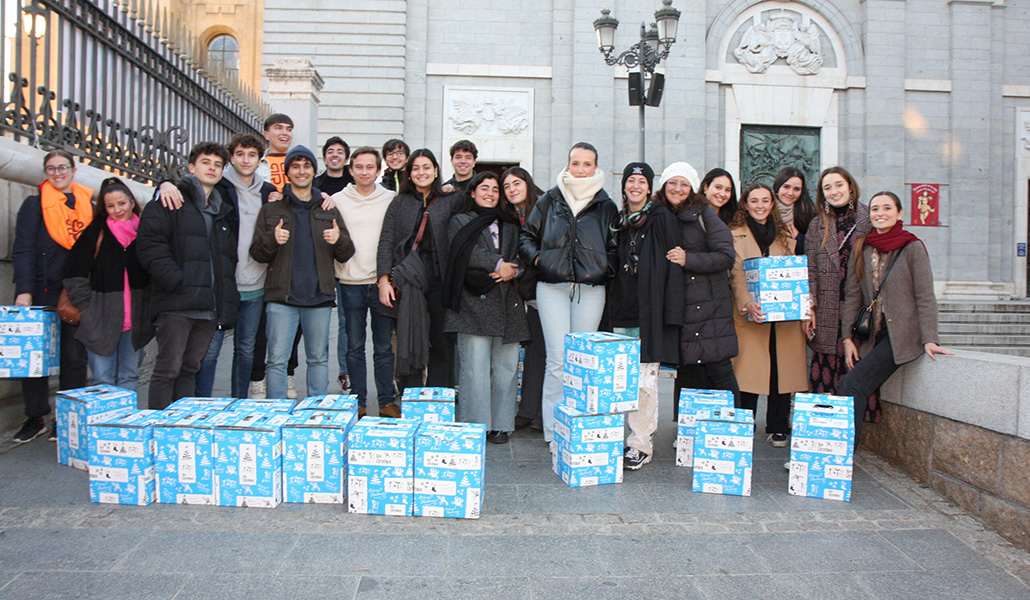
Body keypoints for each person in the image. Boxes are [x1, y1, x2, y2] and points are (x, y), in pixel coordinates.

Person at [519, 142, 618, 444]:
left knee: (584, 360)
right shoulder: (549, 200)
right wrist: (540, 259)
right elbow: (526, 237)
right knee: (558, 361)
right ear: (568, 165)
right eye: (576, 163)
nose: (580, 169)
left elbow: (615, 249)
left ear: (596, 167)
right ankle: (553, 432)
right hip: (551, 288)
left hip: (590, 290)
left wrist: (602, 267)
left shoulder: (606, 205)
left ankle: (581, 426)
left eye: (587, 164)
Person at [839, 191, 953, 434]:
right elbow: (853, 295)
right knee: (851, 384)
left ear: (899, 213)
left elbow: (925, 295)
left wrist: (930, 339)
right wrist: (847, 338)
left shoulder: (912, 246)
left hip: (901, 335)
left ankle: (842, 457)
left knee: (852, 384)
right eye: (875, 209)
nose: (881, 214)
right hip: (873, 334)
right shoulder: (863, 247)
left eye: (887, 208)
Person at [136, 142, 239, 409]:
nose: (212, 168)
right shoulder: (170, 200)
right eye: (206, 162)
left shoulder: (221, 211)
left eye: (218, 165)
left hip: (208, 306)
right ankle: (157, 427)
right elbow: (149, 245)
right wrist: (176, 280)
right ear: (192, 167)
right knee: (167, 368)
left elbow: (227, 260)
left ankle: (180, 429)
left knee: (190, 368)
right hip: (177, 303)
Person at [250, 145, 355, 400]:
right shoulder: (272, 209)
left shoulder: (327, 208)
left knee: (318, 359)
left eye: (306, 166)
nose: (301, 171)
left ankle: (316, 412)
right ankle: (277, 413)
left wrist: (337, 239)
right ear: (287, 172)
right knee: (276, 360)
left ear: (313, 170)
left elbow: (347, 251)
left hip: (319, 296)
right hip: (281, 297)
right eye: (295, 166)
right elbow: (257, 253)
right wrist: (272, 239)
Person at [10, 150, 91, 443]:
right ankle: (35, 417)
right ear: (46, 172)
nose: (58, 173)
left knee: (74, 357)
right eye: (51, 169)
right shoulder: (34, 205)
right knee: (33, 356)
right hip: (42, 288)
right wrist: (24, 291)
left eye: (63, 168)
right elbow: (24, 249)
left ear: (73, 169)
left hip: (76, 290)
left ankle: (65, 419)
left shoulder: (87, 205)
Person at [443, 172, 528, 444]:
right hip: (472, 302)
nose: (490, 193)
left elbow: (522, 255)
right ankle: (477, 425)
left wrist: (513, 270)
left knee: (506, 368)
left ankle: (502, 424)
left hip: (508, 302)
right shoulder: (460, 220)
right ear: (472, 192)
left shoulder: (510, 223)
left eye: (495, 189)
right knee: (475, 369)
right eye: (484, 188)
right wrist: (496, 264)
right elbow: (464, 252)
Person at [607, 163, 682, 469]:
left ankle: (641, 443)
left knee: (644, 380)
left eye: (642, 181)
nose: (635, 186)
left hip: (648, 311)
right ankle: (611, 438)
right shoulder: (619, 220)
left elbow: (673, 265)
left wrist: (670, 313)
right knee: (618, 379)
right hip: (619, 308)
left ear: (650, 188)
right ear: (624, 186)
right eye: (631, 181)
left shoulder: (661, 217)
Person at [728, 183, 808, 447]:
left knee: (781, 372)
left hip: (785, 317)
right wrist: (747, 303)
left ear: (772, 205)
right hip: (752, 314)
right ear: (746, 204)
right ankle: (745, 422)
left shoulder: (786, 235)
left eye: (765, 200)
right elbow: (736, 274)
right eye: (754, 201)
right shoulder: (734, 234)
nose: (760, 206)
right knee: (749, 372)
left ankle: (777, 425)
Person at [658, 163, 741, 413]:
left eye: (684, 184)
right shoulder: (657, 214)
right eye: (672, 182)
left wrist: (688, 259)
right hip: (678, 306)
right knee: (687, 370)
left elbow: (726, 256)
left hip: (708, 307)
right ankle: (688, 431)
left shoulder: (704, 214)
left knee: (719, 369)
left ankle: (734, 427)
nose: (677, 188)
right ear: (663, 185)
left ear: (693, 188)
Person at [377, 149, 460, 396]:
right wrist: (383, 280)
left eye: (426, 167)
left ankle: (437, 400)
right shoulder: (399, 202)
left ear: (436, 171)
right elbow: (386, 241)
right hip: (407, 284)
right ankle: (412, 399)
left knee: (441, 344)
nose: (421, 172)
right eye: (415, 168)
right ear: (409, 174)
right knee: (409, 340)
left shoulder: (451, 199)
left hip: (440, 282)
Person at [61, 177, 151, 392]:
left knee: (129, 377)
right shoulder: (96, 233)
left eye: (122, 203)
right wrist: (86, 309)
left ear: (131, 202)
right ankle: (103, 425)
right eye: (110, 206)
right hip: (100, 319)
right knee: (102, 380)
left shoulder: (146, 233)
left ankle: (124, 425)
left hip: (136, 320)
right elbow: (73, 273)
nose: (117, 210)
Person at [333, 147, 396, 417]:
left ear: (378, 170)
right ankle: (357, 401)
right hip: (349, 282)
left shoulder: (391, 199)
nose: (364, 172)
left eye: (370, 167)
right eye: (359, 167)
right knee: (354, 346)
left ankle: (386, 401)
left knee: (383, 347)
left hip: (381, 282)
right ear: (351, 170)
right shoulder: (336, 199)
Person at [805, 167, 872, 402]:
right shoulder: (817, 225)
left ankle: (851, 432)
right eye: (827, 187)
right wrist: (809, 307)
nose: (834, 191)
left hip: (857, 306)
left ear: (850, 187)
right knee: (825, 369)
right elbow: (810, 269)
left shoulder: (869, 219)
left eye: (839, 185)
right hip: (826, 308)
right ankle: (823, 432)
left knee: (855, 370)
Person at [503, 167, 546, 432]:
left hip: (548, 290)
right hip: (529, 294)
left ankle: (537, 412)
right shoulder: (512, 215)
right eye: (506, 186)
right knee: (535, 351)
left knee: (542, 353)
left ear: (528, 184)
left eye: (516, 183)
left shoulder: (544, 208)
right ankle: (531, 410)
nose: (512, 189)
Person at [772, 166, 816, 254]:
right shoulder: (764, 211)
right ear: (778, 187)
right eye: (786, 187)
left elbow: (814, 251)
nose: (790, 193)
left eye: (797, 189)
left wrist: (799, 239)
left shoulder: (808, 215)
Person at [257, 113, 293, 191]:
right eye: (278, 128)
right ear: (267, 135)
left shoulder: (301, 161)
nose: (285, 133)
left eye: (289, 129)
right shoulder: (257, 164)